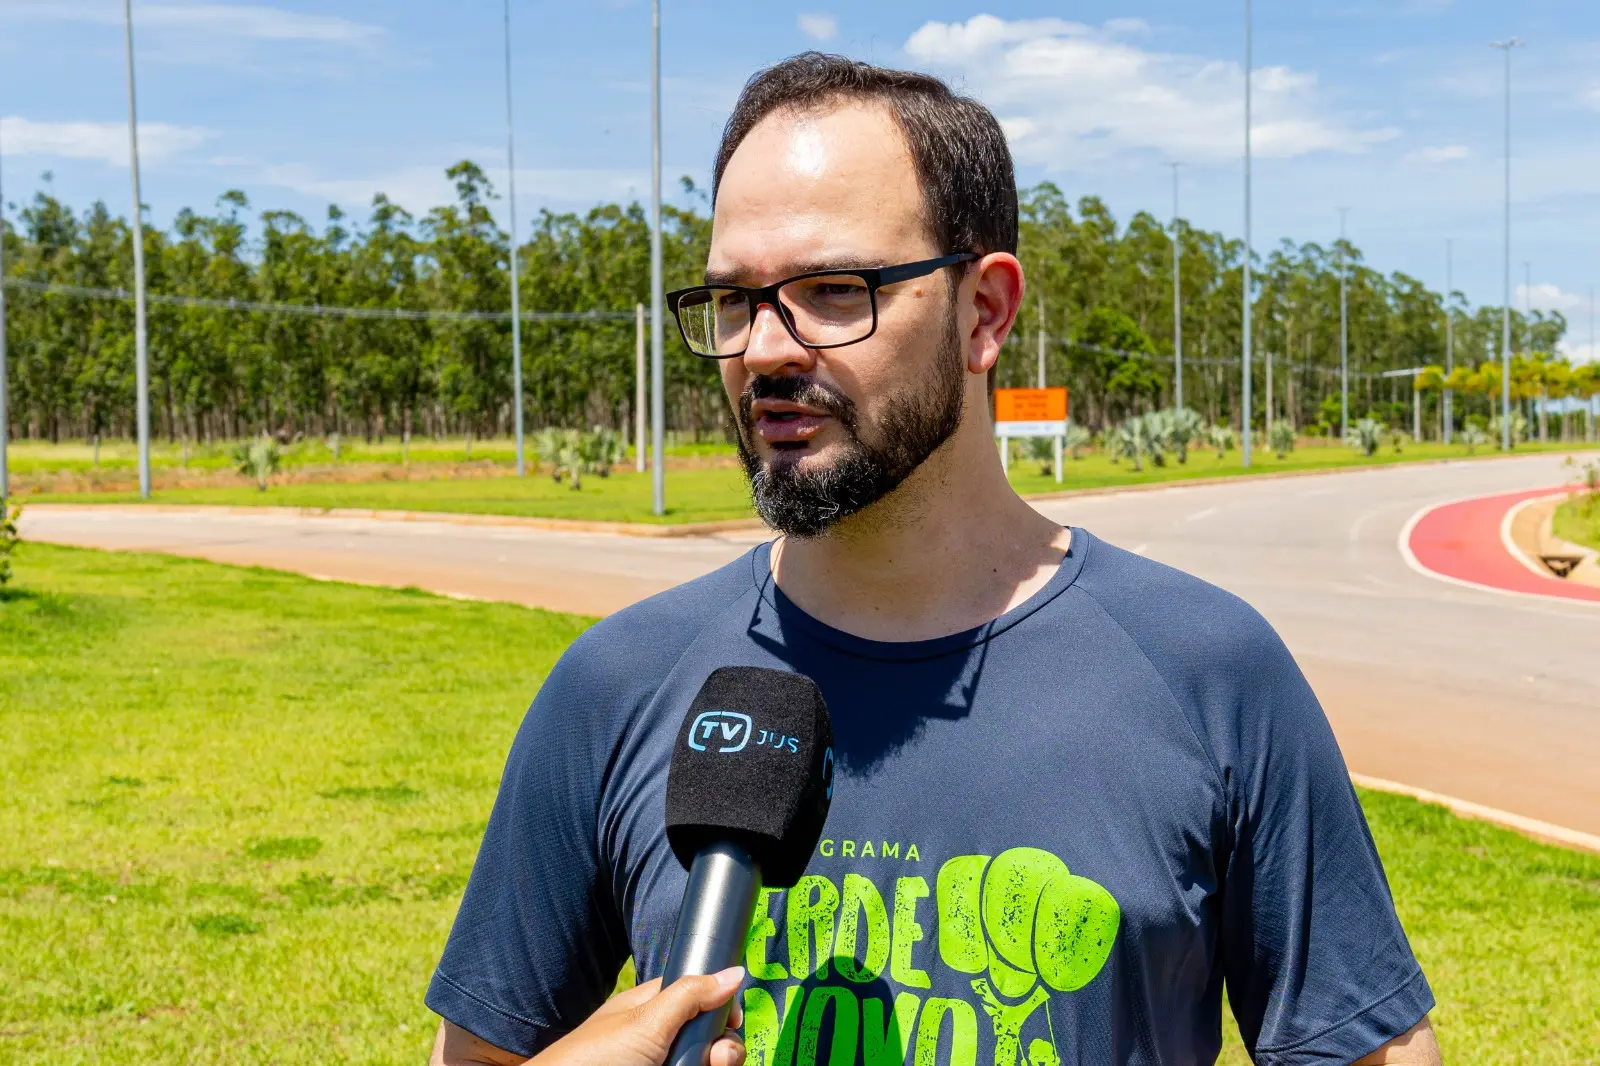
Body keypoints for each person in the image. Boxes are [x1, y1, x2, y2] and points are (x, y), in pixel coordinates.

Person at [427, 53, 1441, 1066]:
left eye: (833, 289)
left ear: (985, 312)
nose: (766, 350)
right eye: (735, 300)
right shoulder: (615, 685)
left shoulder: (1208, 672)